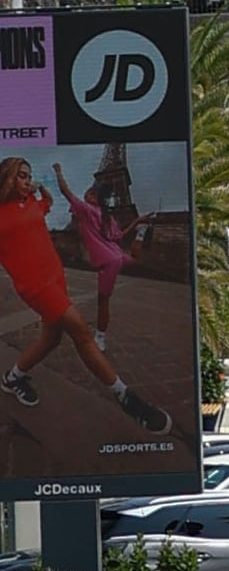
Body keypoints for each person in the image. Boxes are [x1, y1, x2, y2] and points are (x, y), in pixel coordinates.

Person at [0, 157, 167, 432]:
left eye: (29, 176)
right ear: (7, 178)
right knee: (82, 334)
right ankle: (125, 397)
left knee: (52, 339)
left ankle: (12, 378)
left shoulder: (32, 203)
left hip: (56, 278)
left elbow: (49, 202)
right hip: (37, 287)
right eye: (21, 176)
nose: (27, 181)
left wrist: (40, 188)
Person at [51, 164, 132, 333]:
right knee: (132, 261)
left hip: (109, 261)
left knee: (103, 302)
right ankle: (140, 237)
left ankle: (100, 336)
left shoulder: (87, 209)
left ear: (94, 198)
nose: (86, 194)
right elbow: (118, 236)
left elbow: (66, 191)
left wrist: (59, 171)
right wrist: (137, 223)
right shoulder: (107, 217)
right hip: (117, 256)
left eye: (89, 192)